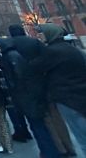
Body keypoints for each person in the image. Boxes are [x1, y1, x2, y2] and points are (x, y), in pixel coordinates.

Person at [0, 25, 61, 158]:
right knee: (48, 121)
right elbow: (49, 61)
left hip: (21, 90)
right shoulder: (35, 42)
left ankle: (48, 152)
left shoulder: (8, 48)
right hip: (40, 85)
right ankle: (57, 149)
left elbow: (6, 71)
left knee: (35, 123)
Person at [32, 23, 86, 156]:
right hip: (79, 94)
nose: (39, 36)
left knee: (81, 136)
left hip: (67, 97)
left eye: (41, 33)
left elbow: (34, 67)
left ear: (50, 34)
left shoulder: (51, 51)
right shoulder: (71, 49)